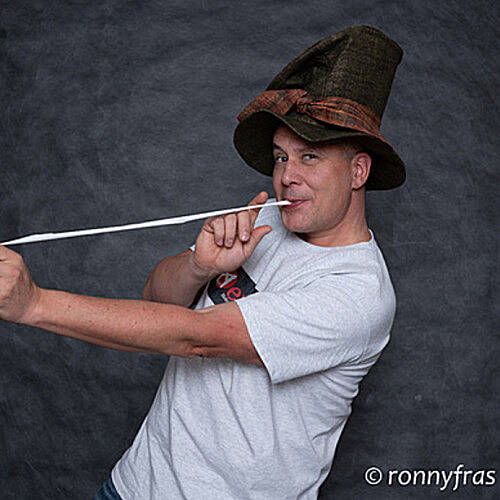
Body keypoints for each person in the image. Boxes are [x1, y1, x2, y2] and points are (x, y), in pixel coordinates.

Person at [0, 25, 405, 499]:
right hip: (133, 486)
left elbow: (196, 338)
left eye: (309, 157)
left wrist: (33, 305)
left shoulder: (358, 293)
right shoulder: (271, 221)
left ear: (358, 171)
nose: (286, 177)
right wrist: (200, 268)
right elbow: (156, 299)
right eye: (280, 157)